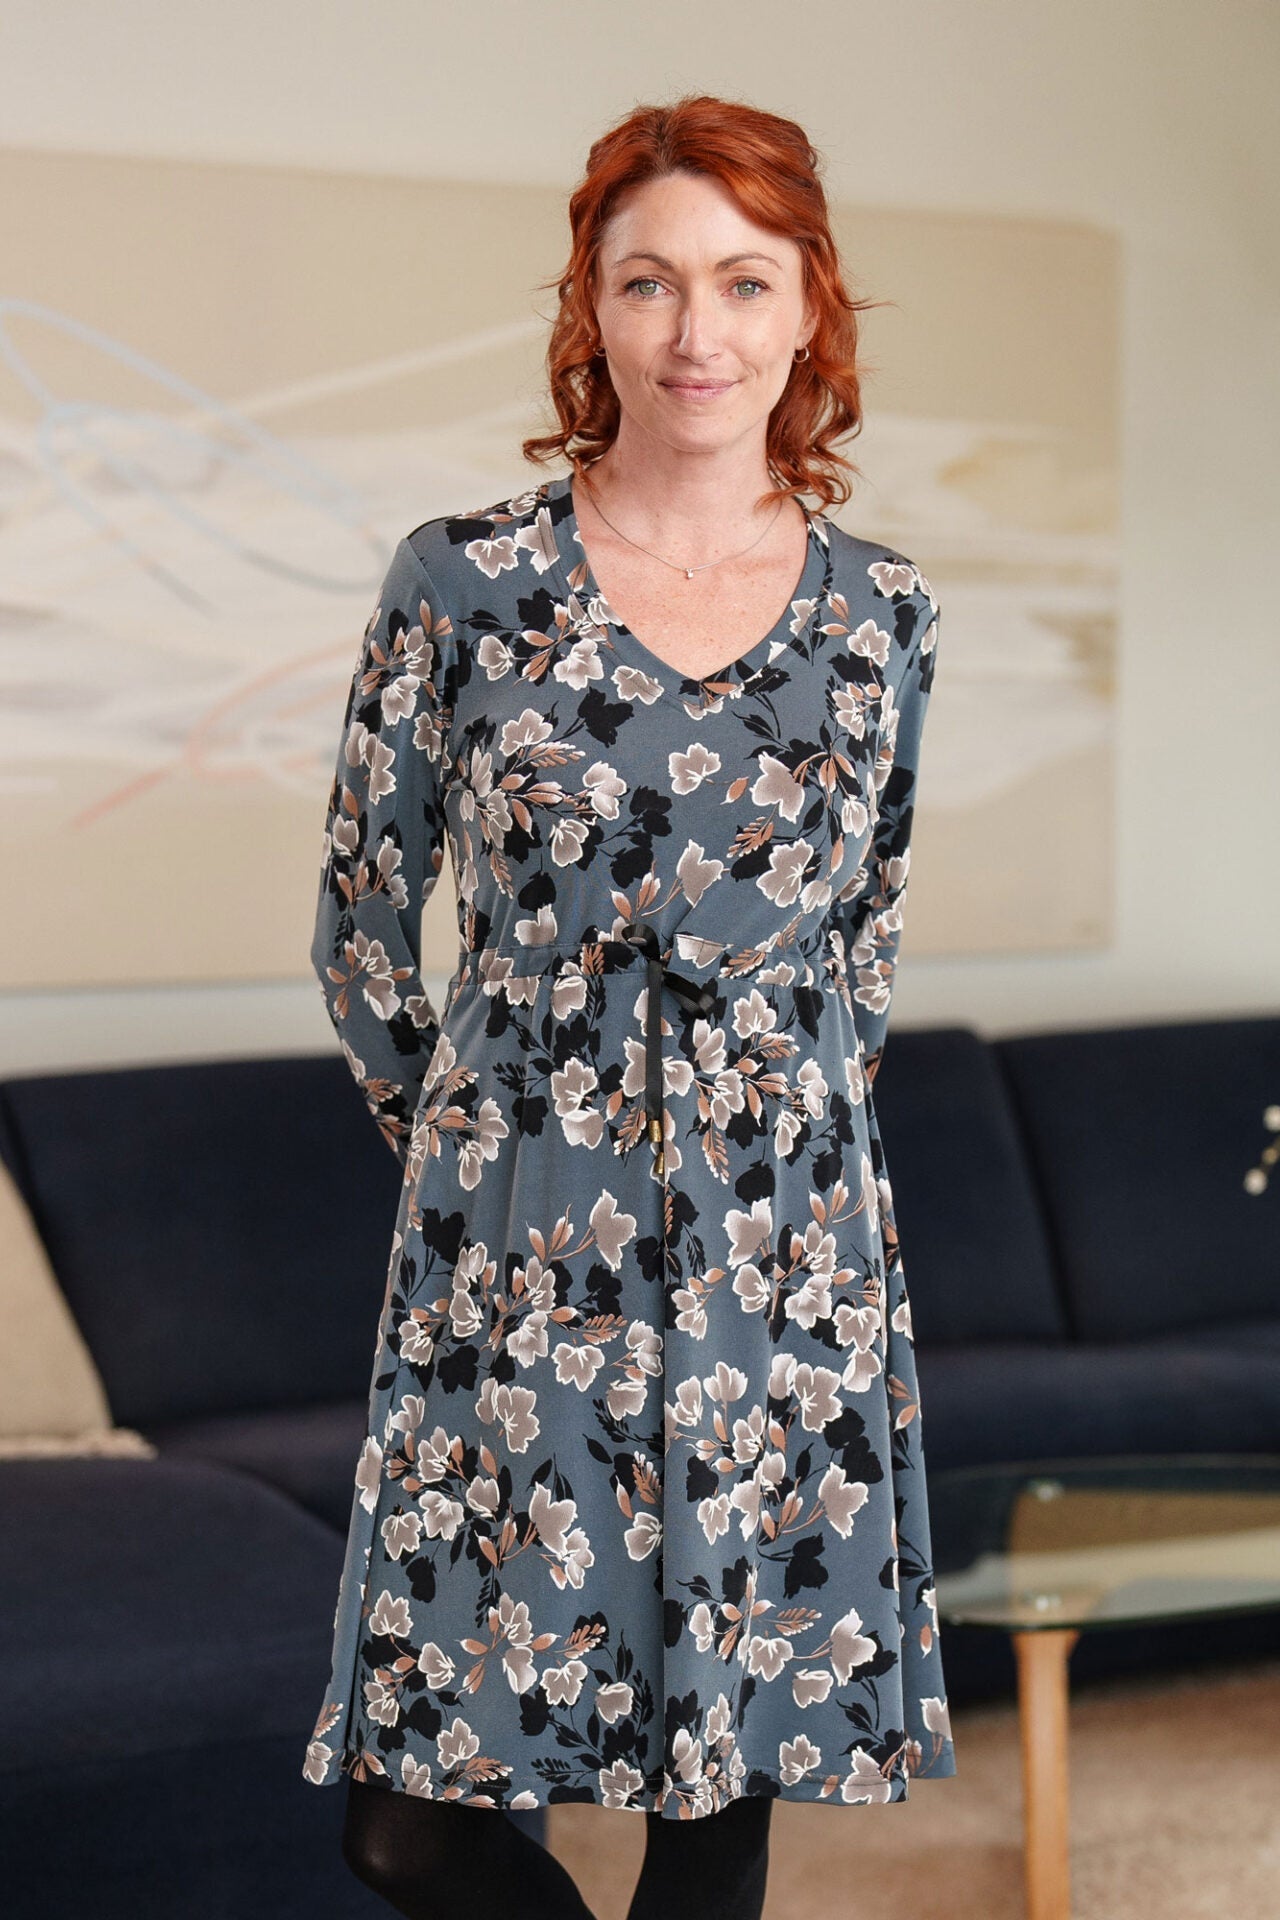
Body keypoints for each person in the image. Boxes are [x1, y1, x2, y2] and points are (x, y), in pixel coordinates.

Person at [304, 89, 956, 1920]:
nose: (699, 332)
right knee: (406, 1817)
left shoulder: (883, 613)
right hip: (514, 1246)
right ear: (588, 306)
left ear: (811, 308)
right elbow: (365, 923)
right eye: (650, 282)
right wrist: (479, 1157)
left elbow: (865, 937)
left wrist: (767, 1148)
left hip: (780, 1254)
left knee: (713, 1797)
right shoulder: (463, 583)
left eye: (745, 283)